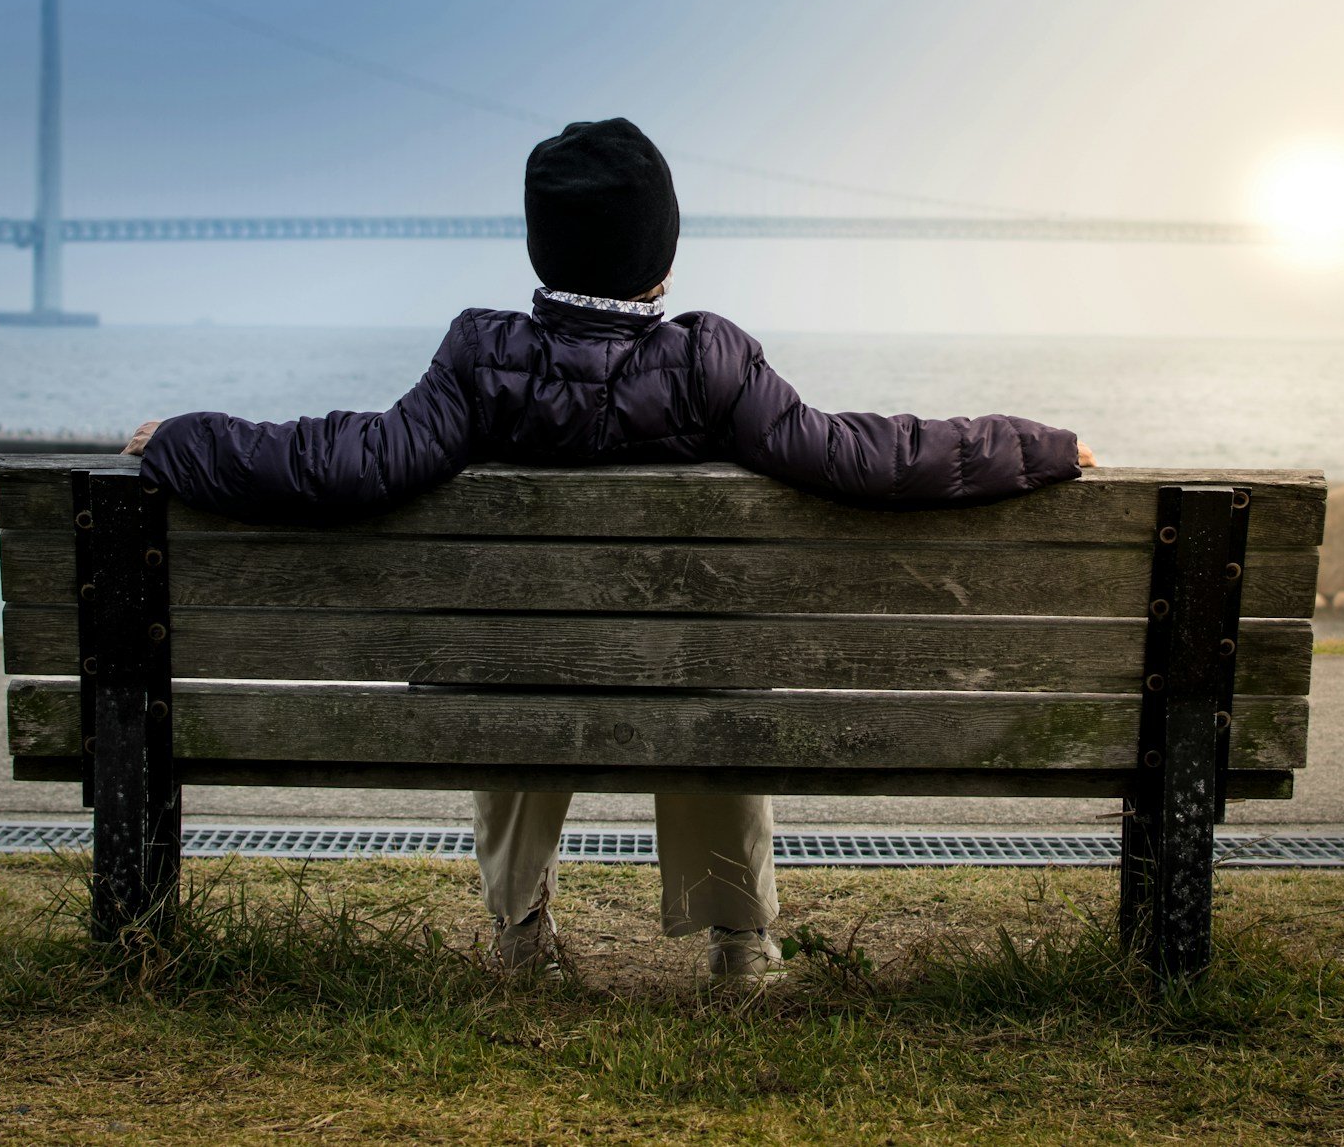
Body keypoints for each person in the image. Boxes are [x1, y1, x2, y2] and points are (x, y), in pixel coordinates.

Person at [124, 117, 1094, 983]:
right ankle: (740, 942)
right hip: (684, 682)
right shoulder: (709, 360)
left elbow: (343, 460)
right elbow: (861, 454)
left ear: (541, 247)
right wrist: (1038, 446)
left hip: (518, 680)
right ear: (662, 255)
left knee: (507, 668)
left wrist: (183, 438)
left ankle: (518, 932)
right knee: (709, 678)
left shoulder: (481, 355)